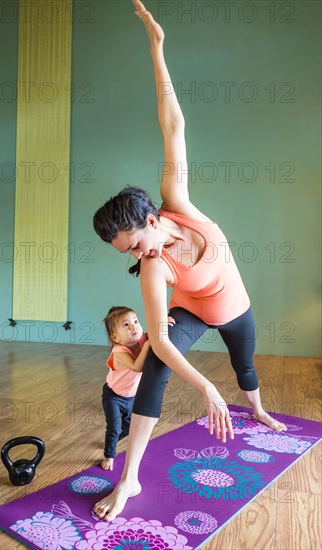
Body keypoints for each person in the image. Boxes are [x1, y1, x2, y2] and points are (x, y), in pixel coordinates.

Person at [92, 0, 287, 521]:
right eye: (127, 255)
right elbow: (156, 336)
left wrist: (157, 47)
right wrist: (204, 387)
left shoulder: (176, 201)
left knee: (245, 364)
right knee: (156, 365)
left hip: (236, 304)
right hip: (193, 309)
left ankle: (259, 408)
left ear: (152, 219)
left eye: (134, 244)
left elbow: (172, 123)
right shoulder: (155, 269)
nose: (137, 257)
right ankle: (130, 480)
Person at [101, 306, 150, 471]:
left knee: (128, 428)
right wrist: (149, 345)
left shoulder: (141, 339)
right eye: (126, 325)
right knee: (114, 427)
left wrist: (164, 324)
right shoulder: (119, 352)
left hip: (131, 396)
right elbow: (137, 367)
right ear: (115, 337)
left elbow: (154, 335)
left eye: (135, 321)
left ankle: (112, 439)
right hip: (113, 396)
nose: (133, 327)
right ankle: (109, 455)